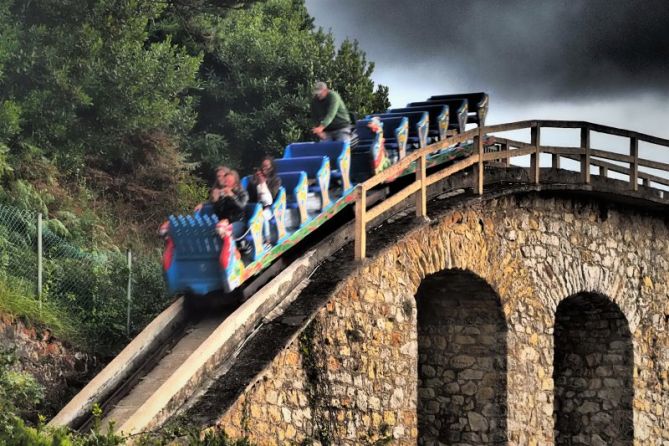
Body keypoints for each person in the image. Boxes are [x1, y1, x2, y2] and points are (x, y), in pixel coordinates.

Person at [249, 156, 281, 244]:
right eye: (263, 166)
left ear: (271, 168)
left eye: (267, 166)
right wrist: (255, 183)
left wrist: (263, 183)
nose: (264, 169)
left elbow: (272, 196)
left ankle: (267, 240)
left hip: (270, 207)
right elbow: (250, 197)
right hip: (256, 206)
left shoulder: (276, 180)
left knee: (261, 216)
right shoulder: (254, 180)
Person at [213, 170, 249, 237]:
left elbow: (242, 208)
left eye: (229, 181)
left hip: (239, 222)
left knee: (224, 231)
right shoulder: (223, 195)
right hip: (226, 223)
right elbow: (219, 213)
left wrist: (232, 196)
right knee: (218, 231)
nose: (226, 183)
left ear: (235, 183)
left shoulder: (242, 193)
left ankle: (241, 245)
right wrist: (216, 200)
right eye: (225, 181)